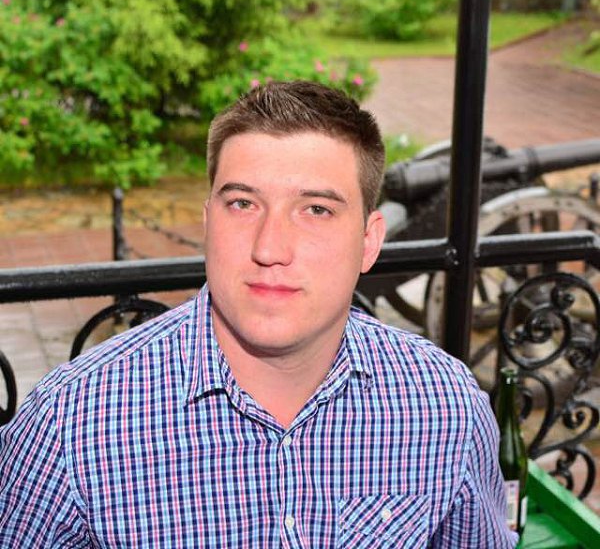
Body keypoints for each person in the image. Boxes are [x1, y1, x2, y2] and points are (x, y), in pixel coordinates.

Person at [0, 81, 517, 547]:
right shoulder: (70, 425)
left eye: (316, 210)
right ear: (208, 224)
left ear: (369, 241)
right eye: (243, 204)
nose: (270, 248)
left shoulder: (445, 408)